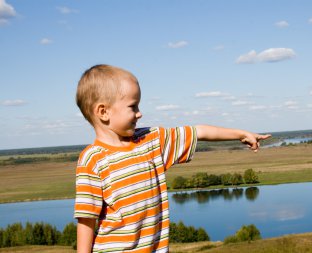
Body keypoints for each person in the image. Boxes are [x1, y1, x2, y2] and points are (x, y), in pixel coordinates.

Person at [74, 64, 271, 253]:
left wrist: (240, 134)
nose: (139, 113)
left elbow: (198, 131)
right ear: (103, 112)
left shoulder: (151, 141)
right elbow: (86, 220)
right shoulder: (92, 160)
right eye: (133, 106)